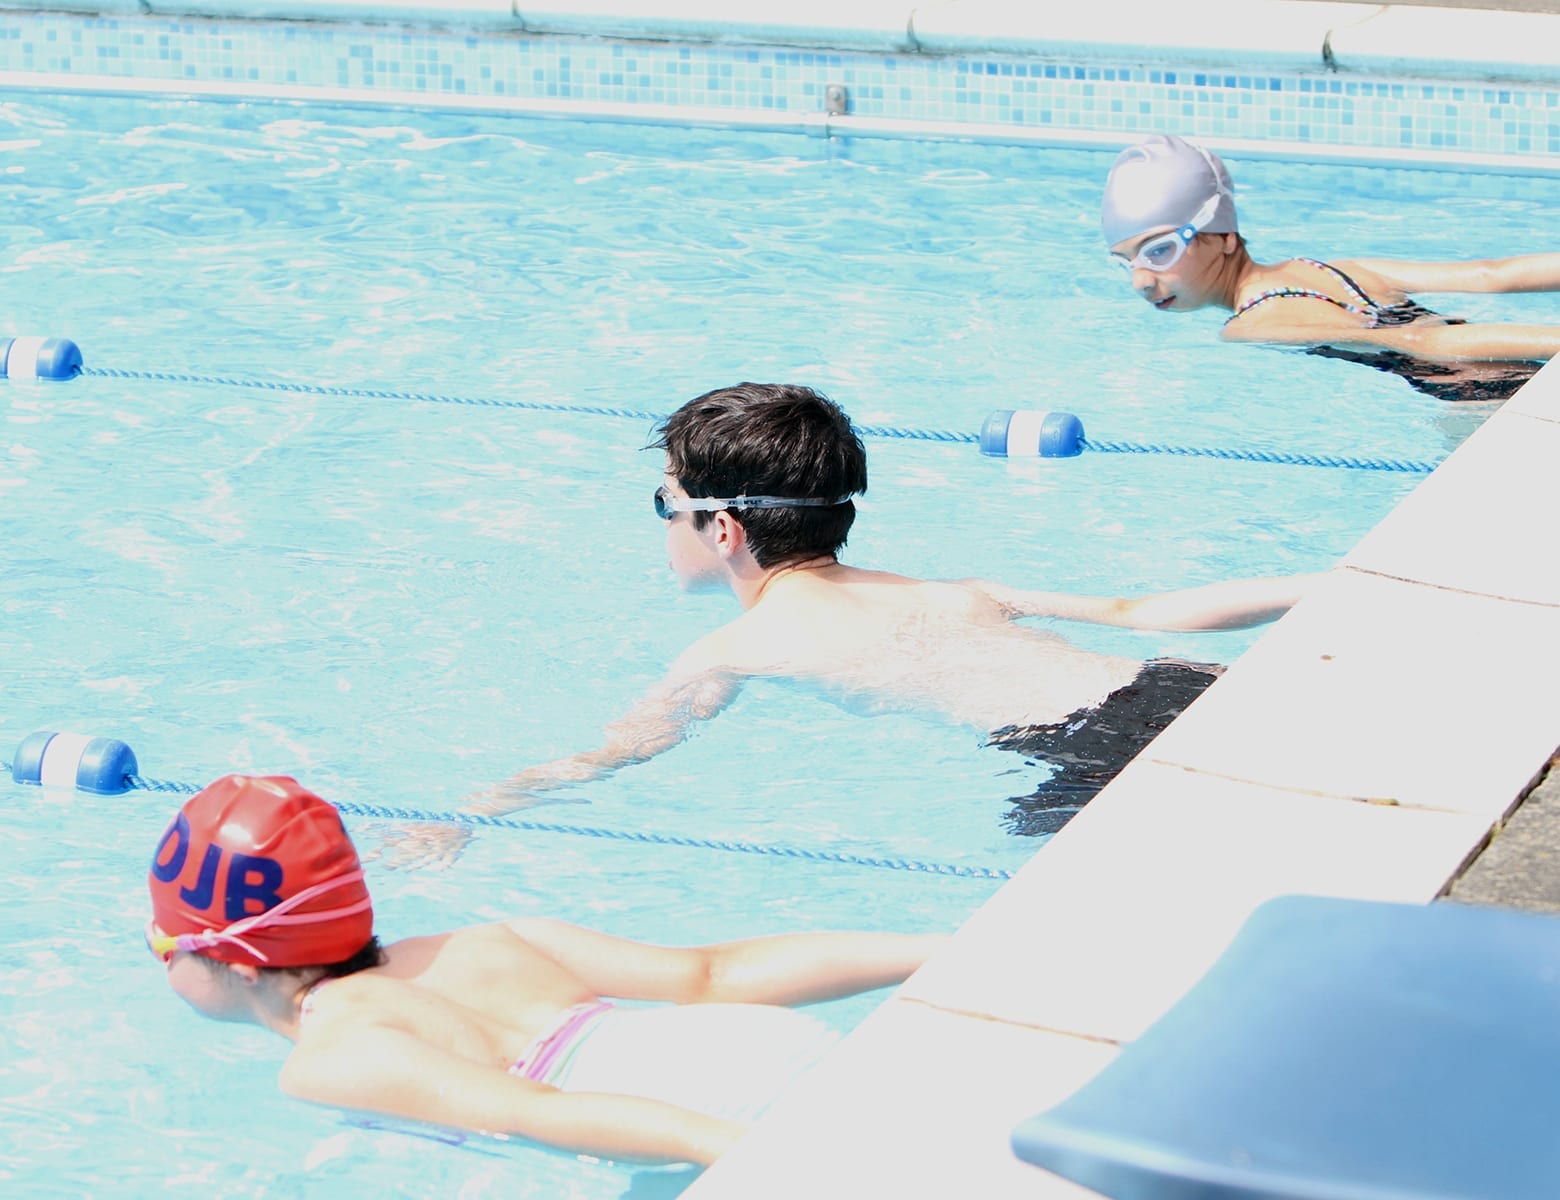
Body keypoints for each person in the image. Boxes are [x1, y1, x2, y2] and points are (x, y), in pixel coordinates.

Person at [385, 382, 1316, 867]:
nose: (661, 525)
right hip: (1175, 686)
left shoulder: (738, 645)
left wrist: (468, 816)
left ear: (723, 528)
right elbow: (1137, 611)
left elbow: (613, 752)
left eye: (662, 504)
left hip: (1086, 753)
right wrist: (1333, 581)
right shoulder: (947, 587)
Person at [146, 774, 942, 1167]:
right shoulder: (486, 939)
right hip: (779, 1046)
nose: (159, 956)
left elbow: (540, 1114)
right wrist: (941, 952)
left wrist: (762, 1158)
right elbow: (712, 973)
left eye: (163, 942)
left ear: (235, 961)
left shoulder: (327, 1058)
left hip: (715, 1114)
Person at [1101, 132, 1560, 402]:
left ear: (1222, 236)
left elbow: (1421, 341)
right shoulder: (1332, 269)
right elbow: (1489, 274)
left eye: (1158, 251)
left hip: (1483, 399)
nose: (1141, 281)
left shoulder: (1249, 326)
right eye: (1126, 262)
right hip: (1515, 372)